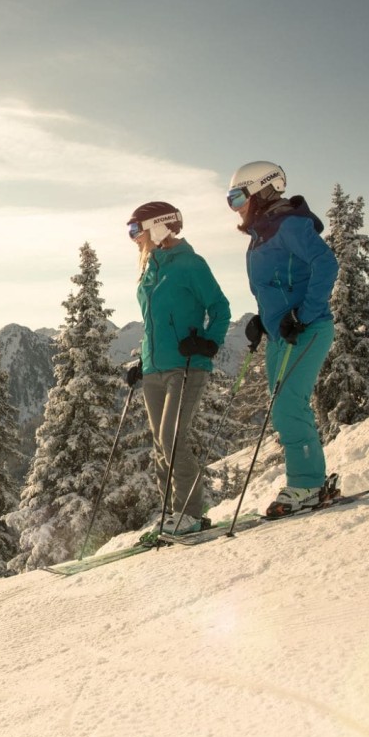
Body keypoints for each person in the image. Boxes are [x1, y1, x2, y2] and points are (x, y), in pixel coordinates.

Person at [227, 161, 340, 515]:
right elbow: (278, 283)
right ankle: (309, 480)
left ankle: (307, 484)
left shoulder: (289, 224)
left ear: (261, 190)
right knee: (282, 407)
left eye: (237, 197)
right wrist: (264, 319)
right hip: (282, 334)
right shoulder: (262, 233)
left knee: (290, 403)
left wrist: (302, 314)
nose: (235, 206)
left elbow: (326, 263)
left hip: (306, 329)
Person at [125, 201, 231, 534]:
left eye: (135, 230)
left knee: (172, 439)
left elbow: (221, 308)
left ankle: (191, 513)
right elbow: (153, 323)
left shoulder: (190, 265)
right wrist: (142, 360)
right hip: (155, 369)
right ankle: (172, 513)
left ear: (159, 226)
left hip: (187, 365)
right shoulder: (151, 268)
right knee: (160, 443)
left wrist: (208, 342)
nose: (133, 238)